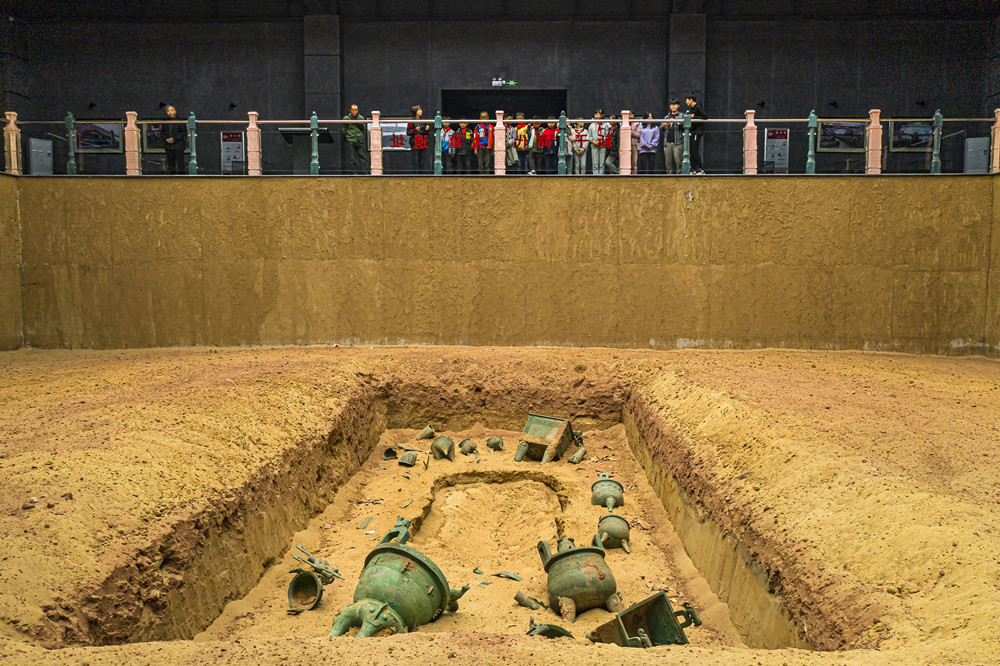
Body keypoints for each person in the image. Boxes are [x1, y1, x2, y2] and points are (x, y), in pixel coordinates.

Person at [343, 104, 369, 175]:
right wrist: (347, 136)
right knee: (352, 157)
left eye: (356, 110)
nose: (355, 112)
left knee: (362, 156)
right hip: (351, 138)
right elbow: (344, 129)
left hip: (359, 139)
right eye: (353, 110)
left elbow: (363, 129)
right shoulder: (346, 118)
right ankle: (354, 172)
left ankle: (365, 171)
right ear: (350, 110)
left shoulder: (361, 118)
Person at [685, 93, 708, 174]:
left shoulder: (698, 107)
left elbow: (705, 116)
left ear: (691, 100)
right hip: (693, 131)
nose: (686, 102)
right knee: (691, 150)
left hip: (697, 132)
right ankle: (693, 168)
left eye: (687, 100)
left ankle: (700, 168)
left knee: (694, 150)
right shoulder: (692, 109)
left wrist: (694, 117)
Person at [661, 98, 685, 174]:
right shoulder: (667, 117)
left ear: (678, 106)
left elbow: (685, 126)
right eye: (672, 105)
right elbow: (660, 128)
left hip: (678, 142)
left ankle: (680, 178)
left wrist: (676, 122)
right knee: (668, 164)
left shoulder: (682, 115)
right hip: (667, 143)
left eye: (675, 104)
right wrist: (665, 125)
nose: (673, 106)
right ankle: (669, 178)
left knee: (679, 163)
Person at [161, 105, 187, 175]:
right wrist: (166, 139)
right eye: (168, 111)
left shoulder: (181, 120)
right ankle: (172, 178)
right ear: (166, 112)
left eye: (171, 110)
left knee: (180, 163)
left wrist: (174, 139)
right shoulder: (165, 121)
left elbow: (183, 132)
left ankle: (182, 178)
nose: (170, 112)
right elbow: (162, 132)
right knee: (170, 164)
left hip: (178, 146)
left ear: (175, 111)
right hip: (168, 146)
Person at [406, 105, 431, 174]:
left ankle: (421, 174)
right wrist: (415, 130)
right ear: (415, 112)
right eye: (419, 110)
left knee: (422, 159)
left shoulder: (423, 121)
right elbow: (408, 132)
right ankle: (415, 174)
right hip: (415, 142)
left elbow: (425, 133)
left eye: (421, 110)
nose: (421, 111)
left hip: (422, 142)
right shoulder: (411, 121)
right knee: (415, 159)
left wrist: (427, 130)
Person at [588, 109, 606, 175]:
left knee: (602, 161)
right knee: (595, 161)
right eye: (596, 114)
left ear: (602, 115)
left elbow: (607, 135)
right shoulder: (591, 125)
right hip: (594, 145)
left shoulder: (605, 125)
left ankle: (601, 175)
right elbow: (589, 136)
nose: (596, 116)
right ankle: (595, 175)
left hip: (602, 144)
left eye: (598, 114)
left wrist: (602, 141)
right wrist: (593, 141)